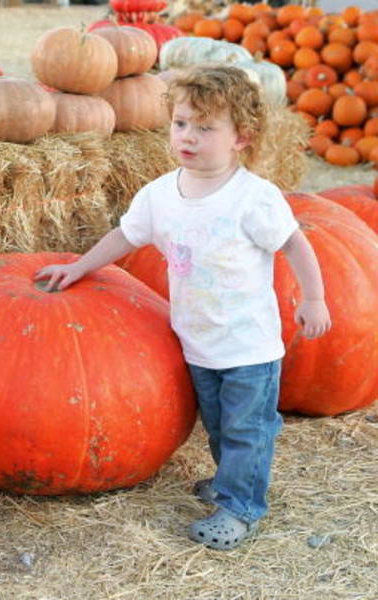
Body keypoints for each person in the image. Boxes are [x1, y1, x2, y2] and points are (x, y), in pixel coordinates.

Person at [35, 65, 332, 550]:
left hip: (249, 347)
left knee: (245, 431)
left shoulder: (253, 198)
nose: (188, 137)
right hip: (198, 342)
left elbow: (295, 244)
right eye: (180, 123)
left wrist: (314, 298)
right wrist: (79, 267)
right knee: (219, 426)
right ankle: (232, 481)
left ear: (242, 138)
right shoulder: (159, 195)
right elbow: (125, 236)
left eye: (205, 127)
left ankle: (241, 506)